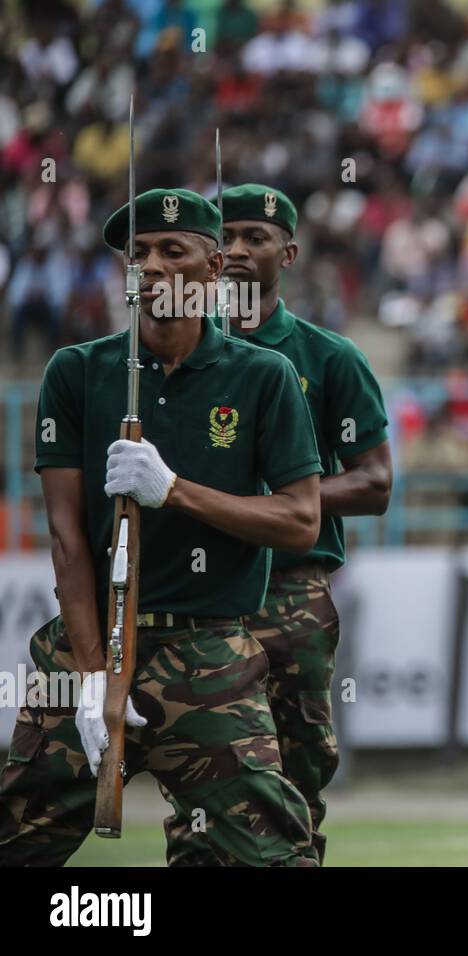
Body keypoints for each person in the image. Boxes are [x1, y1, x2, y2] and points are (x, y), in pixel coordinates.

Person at [0, 189, 323, 866]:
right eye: (137, 253)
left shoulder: (264, 375)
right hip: (89, 644)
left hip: (209, 651)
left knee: (275, 854)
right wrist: (92, 676)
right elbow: (66, 538)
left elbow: (299, 520)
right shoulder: (77, 372)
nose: (150, 266)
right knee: (18, 842)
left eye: (172, 252)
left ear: (212, 270)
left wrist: (174, 490)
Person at [160, 184, 392, 865]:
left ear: (287, 253)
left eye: (254, 238)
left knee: (296, 774)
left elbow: (376, 482)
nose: (235, 250)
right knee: (198, 775)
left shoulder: (329, 357)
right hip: (199, 598)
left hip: (291, 590)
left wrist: (276, 498)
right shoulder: (173, 355)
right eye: (223, 237)